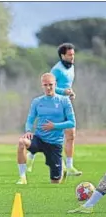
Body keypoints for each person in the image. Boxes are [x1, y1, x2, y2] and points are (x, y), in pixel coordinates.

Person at [27, 43, 82, 176]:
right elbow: (50, 86)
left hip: (65, 103)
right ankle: (31, 155)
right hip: (54, 105)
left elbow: (67, 85)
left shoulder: (71, 67)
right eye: (70, 55)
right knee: (48, 133)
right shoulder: (56, 70)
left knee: (71, 135)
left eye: (73, 54)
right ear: (62, 55)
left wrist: (70, 93)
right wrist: (64, 91)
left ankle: (69, 167)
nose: (72, 57)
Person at [16, 73, 76, 184]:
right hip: (39, 139)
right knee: (21, 142)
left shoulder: (64, 101)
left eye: (51, 85)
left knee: (55, 181)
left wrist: (55, 126)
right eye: (45, 85)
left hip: (54, 144)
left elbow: (72, 122)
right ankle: (22, 177)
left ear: (55, 85)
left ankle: (61, 169)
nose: (48, 88)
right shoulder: (37, 102)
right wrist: (28, 130)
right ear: (42, 86)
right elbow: (30, 120)